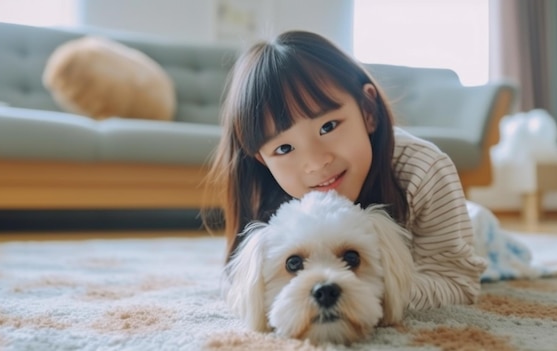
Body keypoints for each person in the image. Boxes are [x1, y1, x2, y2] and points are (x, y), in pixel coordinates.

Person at [208, 30, 487, 310]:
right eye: (284, 149)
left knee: (482, 225)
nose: (316, 162)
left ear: (367, 110)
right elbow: (246, 288)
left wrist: (363, 293)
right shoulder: (266, 193)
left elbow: (457, 281)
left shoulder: (424, 170)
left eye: (328, 127)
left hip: (472, 229)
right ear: (262, 160)